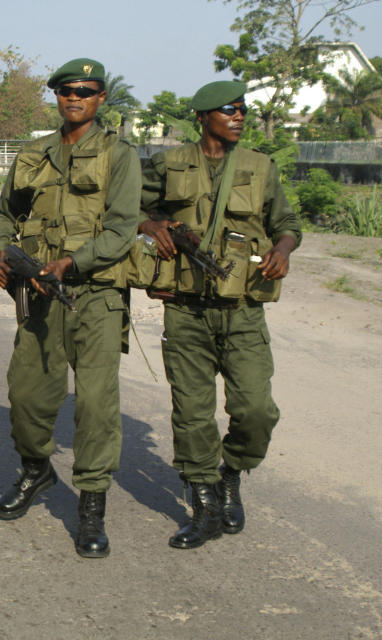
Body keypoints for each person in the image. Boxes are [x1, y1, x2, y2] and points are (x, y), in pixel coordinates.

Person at [138, 80, 301, 549]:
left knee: (255, 409)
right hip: (186, 310)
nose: (240, 116)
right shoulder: (167, 164)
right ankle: (206, 505)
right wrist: (150, 224)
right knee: (192, 414)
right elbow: (126, 209)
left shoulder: (259, 167)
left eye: (243, 110)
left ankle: (231, 471)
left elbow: (286, 223)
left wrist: (284, 249)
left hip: (243, 310)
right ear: (203, 116)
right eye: (229, 109)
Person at [0, 58, 140, 558]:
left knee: (96, 405)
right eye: (67, 89)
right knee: (27, 396)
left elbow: (121, 232)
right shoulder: (34, 154)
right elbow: (2, 211)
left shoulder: (119, 154)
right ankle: (36, 471)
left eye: (87, 90)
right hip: (39, 294)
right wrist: (1, 251)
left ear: (100, 99)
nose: (75, 97)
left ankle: (91, 507)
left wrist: (72, 261)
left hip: (94, 296)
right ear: (56, 95)